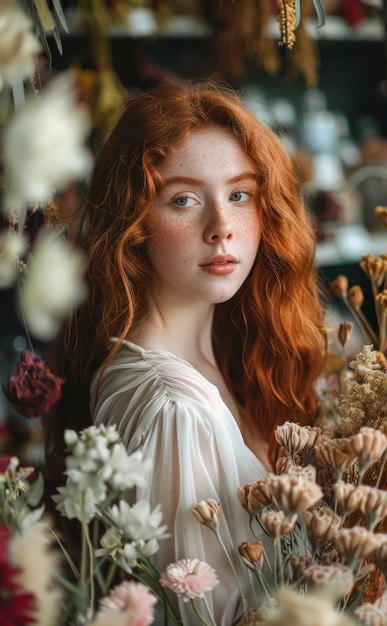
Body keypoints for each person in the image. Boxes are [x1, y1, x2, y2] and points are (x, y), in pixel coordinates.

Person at [44, 80, 326, 625]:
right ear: (134, 225)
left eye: (240, 195)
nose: (222, 228)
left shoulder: (221, 353)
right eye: (184, 200)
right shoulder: (176, 409)